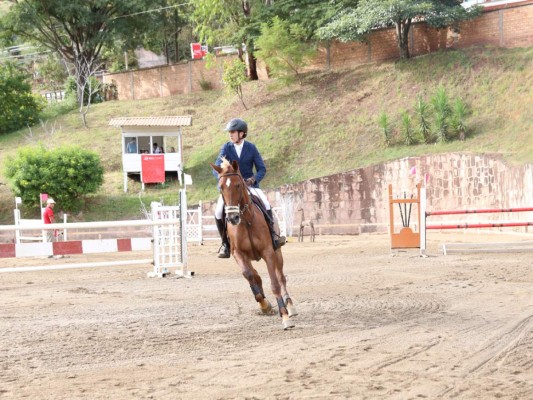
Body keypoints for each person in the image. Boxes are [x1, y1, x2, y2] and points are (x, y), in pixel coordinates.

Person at [212, 118, 285, 258]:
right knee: (218, 212)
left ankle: (274, 236)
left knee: (266, 204)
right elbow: (216, 167)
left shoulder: (251, 148)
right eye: (230, 132)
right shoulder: (226, 148)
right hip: (232, 188)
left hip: (249, 185)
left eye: (233, 132)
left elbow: (262, 169)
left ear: (242, 133)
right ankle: (225, 244)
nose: (230, 134)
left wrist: (253, 179)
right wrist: (224, 177)